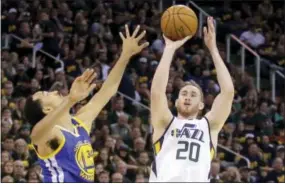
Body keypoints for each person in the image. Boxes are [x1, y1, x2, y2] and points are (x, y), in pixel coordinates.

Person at [23, 25, 148, 183]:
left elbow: (108, 90)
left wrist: (125, 55)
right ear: (47, 109)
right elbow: (35, 134)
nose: (54, 92)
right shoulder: (48, 135)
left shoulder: (80, 123)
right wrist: (70, 100)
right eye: (47, 94)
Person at [149, 17, 234, 182]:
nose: (188, 97)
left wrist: (213, 49)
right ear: (175, 101)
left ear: (201, 105)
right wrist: (169, 49)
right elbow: (157, 93)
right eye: (184, 94)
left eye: (193, 95)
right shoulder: (165, 122)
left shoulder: (209, 126)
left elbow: (228, 92)